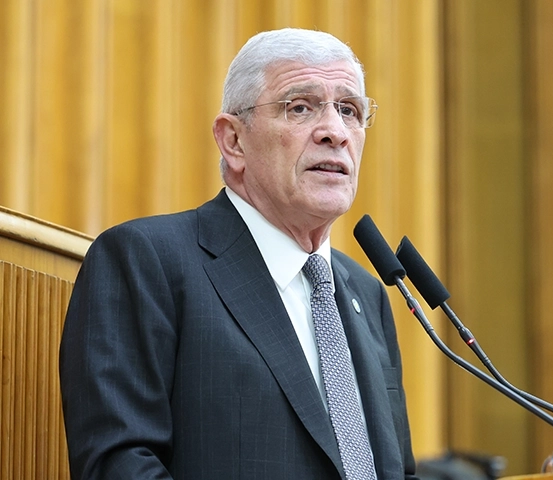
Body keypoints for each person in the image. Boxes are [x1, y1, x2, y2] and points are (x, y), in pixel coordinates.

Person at [59, 28, 417, 479]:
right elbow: (120, 464)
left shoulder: (368, 293)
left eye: (349, 110)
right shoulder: (146, 262)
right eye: (300, 107)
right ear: (233, 141)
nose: (335, 132)